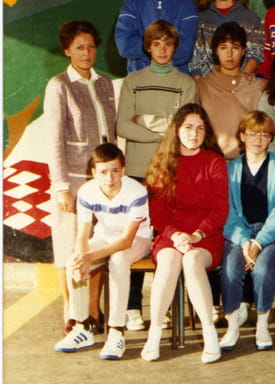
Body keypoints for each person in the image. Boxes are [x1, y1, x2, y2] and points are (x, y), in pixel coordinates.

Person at [117, 19, 195, 330]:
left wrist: (145, 121)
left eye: (168, 44)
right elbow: (123, 125)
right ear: (148, 47)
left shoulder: (186, 83)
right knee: (137, 239)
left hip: (172, 171)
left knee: (171, 238)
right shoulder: (133, 81)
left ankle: (169, 307)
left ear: (175, 48)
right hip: (137, 173)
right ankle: (133, 307)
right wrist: (164, 131)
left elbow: (185, 127)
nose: (163, 50)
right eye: (157, 44)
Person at [141, 104, 229, 363]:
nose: (194, 133)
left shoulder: (214, 162)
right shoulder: (163, 162)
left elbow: (220, 208)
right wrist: (176, 236)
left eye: (200, 128)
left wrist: (197, 235)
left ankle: (209, 334)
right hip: (171, 235)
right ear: (177, 130)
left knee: (191, 261)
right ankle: (154, 334)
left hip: (206, 236)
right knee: (169, 261)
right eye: (188, 127)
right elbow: (157, 211)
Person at [44, 21, 116, 333]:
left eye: (91, 46)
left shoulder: (105, 83)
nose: (86, 53)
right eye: (79, 47)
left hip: (104, 182)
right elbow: (54, 140)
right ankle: (71, 311)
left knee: (97, 245)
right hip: (73, 181)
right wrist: (60, 186)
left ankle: (92, 308)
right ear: (67, 50)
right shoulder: (59, 85)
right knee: (70, 247)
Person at [53, 144, 151, 360]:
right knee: (73, 262)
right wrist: (82, 258)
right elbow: (82, 234)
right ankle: (82, 328)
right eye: (103, 172)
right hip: (104, 237)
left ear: (123, 170)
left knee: (118, 261)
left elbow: (126, 240)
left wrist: (91, 256)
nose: (110, 178)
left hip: (137, 240)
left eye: (115, 171)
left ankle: (116, 331)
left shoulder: (136, 191)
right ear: (94, 172)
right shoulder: (86, 191)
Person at [219, 111, 275, 351]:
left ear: (271, 138)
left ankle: (263, 323)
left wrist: (259, 242)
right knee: (230, 269)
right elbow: (228, 211)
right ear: (242, 136)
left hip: (273, 235)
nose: (258, 140)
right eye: (252, 134)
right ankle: (232, 325)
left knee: (262, 270)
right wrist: (244, 242)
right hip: (239, 233)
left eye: (264, 135)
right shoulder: (230, 169)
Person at [196, 21, 267, 160]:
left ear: (243, 51)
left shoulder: (256, 86)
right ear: (216, 50)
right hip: (210, 162)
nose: (229, 54)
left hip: (247, 161)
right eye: (223, 47)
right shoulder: (202, 86)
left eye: (235, 47)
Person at [189, 0, 264, 78]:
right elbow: (195, 60)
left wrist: (239, 81)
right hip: (208, 83)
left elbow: (255, 56)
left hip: (240, 83)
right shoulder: (201, 19)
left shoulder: (250, 18)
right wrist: (202, 84)